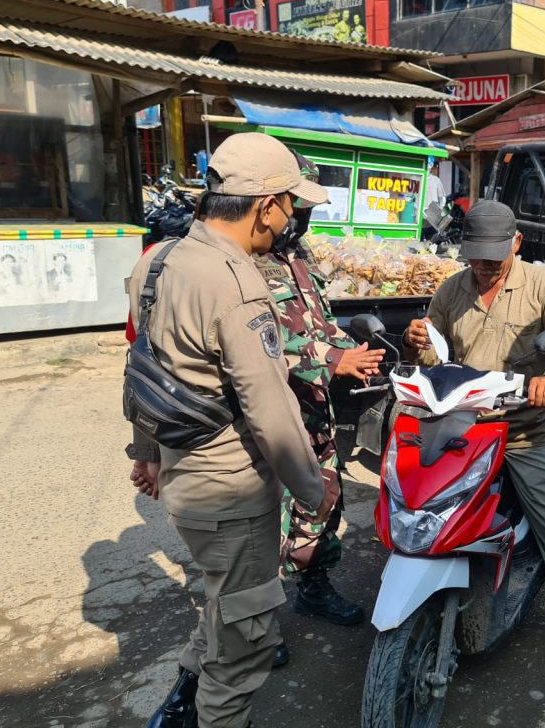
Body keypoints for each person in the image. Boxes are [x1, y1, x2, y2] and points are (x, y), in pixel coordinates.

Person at [127, 133, 331, 728]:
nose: (291, 217)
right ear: (266, 204)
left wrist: (149, 453)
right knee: (244, 650)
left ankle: (179, 708)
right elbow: (269, 408)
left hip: (185, 481)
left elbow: (142, 369)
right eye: (290, 204)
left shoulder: (157, 261)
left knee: (223, 600)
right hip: (232, 493)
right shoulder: (237, 283)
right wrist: (312, 490)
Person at [403, 200, 545, 660]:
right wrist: (417, 343)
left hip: (520, 429)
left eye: (493, 256)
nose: (484, 266)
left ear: (516, 242)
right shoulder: (452, 289)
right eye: (475, 256)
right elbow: (435, 359)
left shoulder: (544, 285)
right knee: (422, 503)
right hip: (461, 422)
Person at [252, 153, 385, 666]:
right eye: (296, 205)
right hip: (274, 420)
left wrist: (350, 349)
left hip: (315, 413)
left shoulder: (295, 252)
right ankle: (258, 628)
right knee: (267, 525)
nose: (301, 215)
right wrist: (332, 358)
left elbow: (316, 320)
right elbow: (258, 349)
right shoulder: (243, 261)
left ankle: (314, 586)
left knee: (324, 504)